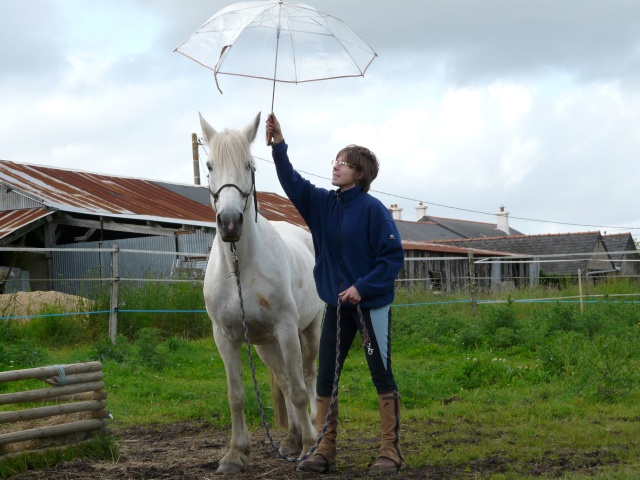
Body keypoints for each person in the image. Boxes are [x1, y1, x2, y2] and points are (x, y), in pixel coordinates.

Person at [266, 113, 406, 474]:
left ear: (359, 173)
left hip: (371, 306)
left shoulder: (375, 212)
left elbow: (392, 257)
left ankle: (390, 452)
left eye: (343, 163)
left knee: (381, 374)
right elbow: (292, 183)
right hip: (336, 307)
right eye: (336, 161)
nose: (336, 166)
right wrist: (279, 145)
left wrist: (363, 287)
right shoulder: (323, 205)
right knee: (325, 375)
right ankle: (324, 450)